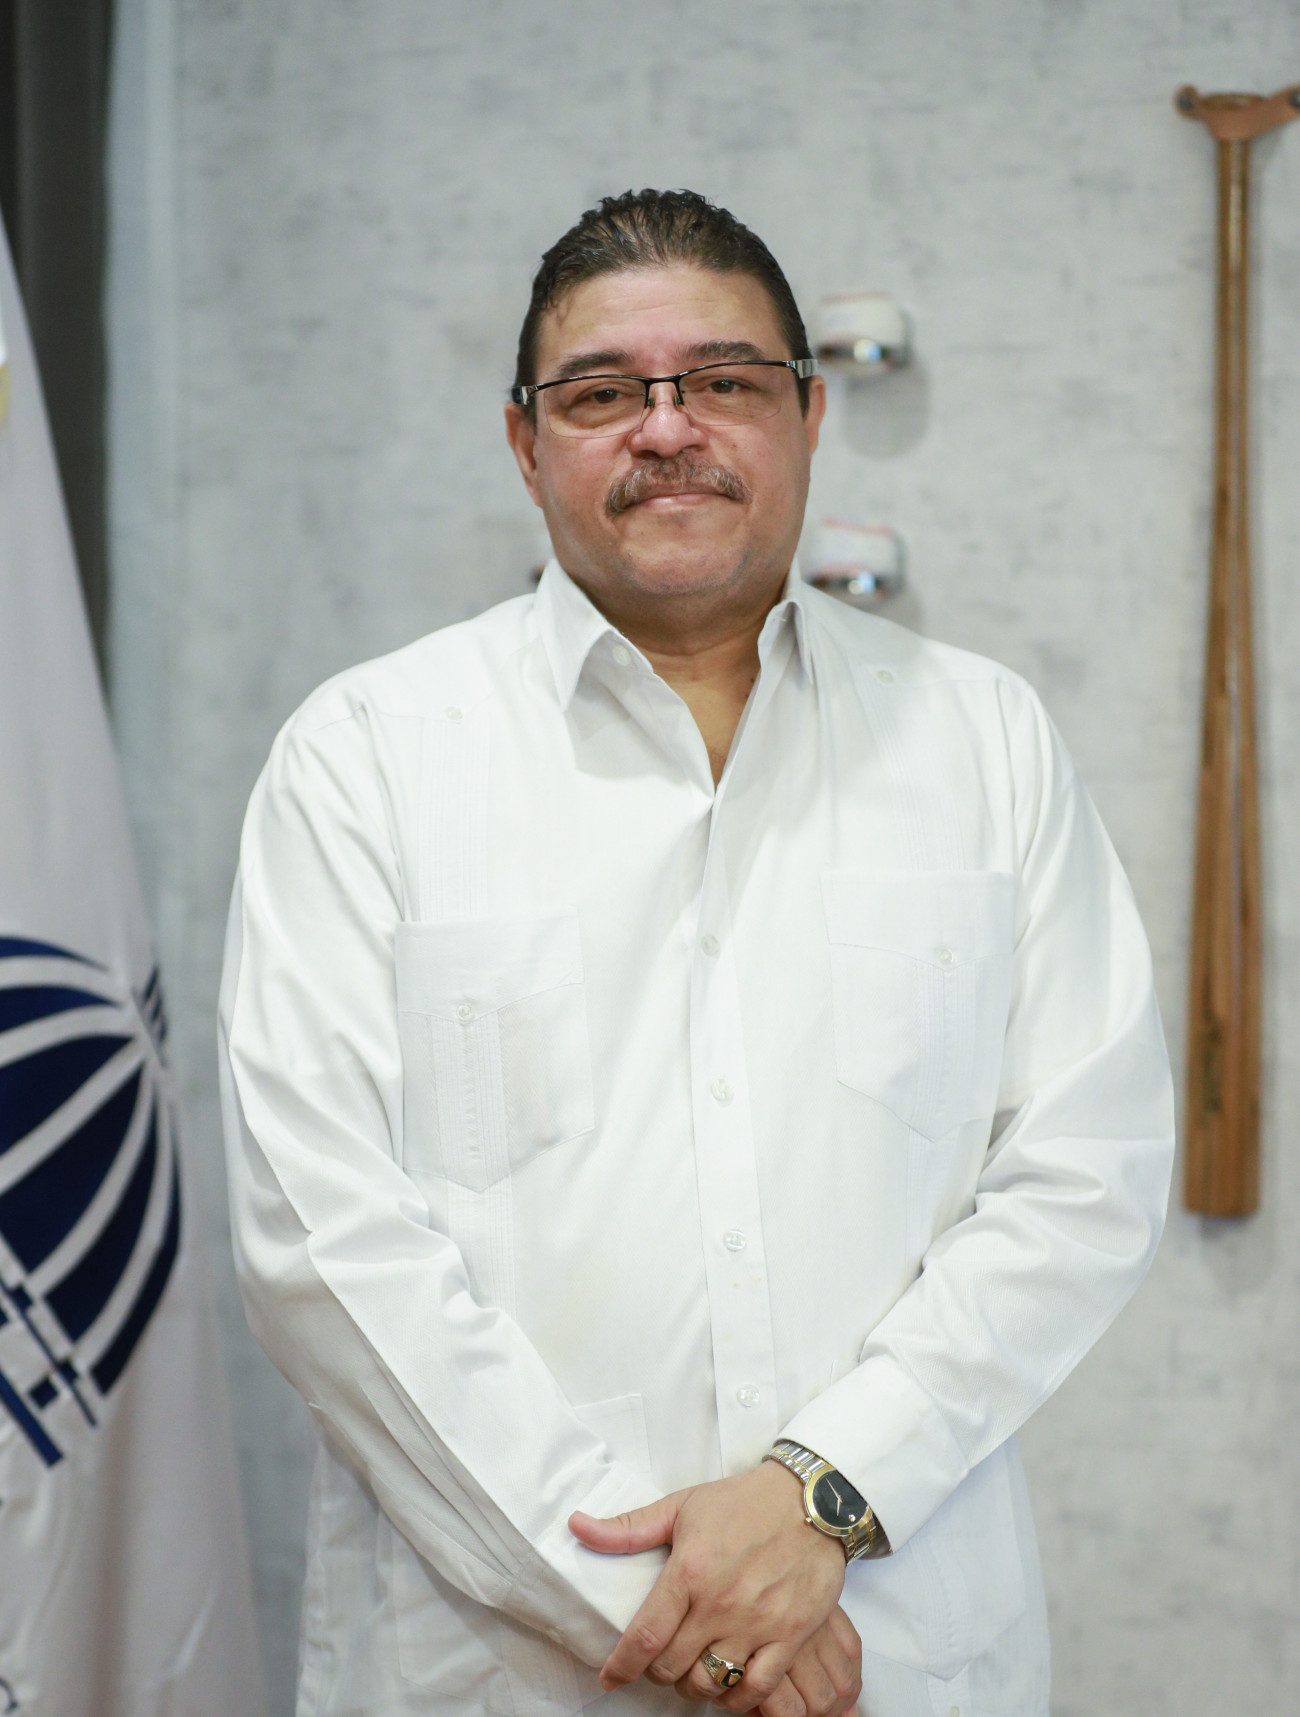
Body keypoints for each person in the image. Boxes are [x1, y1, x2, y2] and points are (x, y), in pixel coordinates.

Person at [219, 189, 1175, 1717]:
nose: (668, 429)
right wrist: (677, 1606)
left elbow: (1086, 1169)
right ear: (525, 443)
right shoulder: (367, 759)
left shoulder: (982, 739)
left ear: (808, 415)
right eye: (603, 394)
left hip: (899, 1652)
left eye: (722, 380)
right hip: (513, 1666)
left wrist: (824, 1489)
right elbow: (324, 1245)